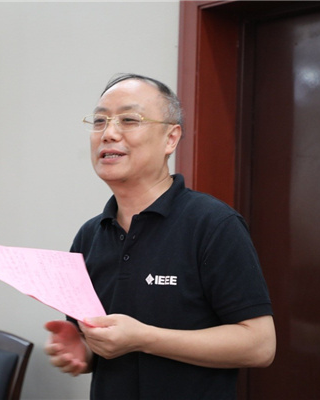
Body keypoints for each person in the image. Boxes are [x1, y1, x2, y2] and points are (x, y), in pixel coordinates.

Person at [44, 73, 276, 400]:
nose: (109, 133)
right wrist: (82, 351)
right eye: (99, 121)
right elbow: (99, 343)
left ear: (171, 138)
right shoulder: (90, 235)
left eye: (129, 120)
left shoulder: (213, 224)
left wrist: (144, 338)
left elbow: (260, 345)